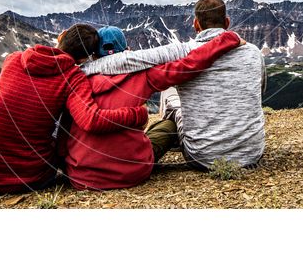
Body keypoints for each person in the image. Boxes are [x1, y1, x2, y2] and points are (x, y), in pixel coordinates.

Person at [83, 0, 266, 170]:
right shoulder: (254, 52)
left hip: (202, 156)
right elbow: (260, 89)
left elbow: (127, 60)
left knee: (170, 92)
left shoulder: (182, 51)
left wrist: (80, 69)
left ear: (196, 24)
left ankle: (169, 131)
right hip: (252, 154)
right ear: (226, 23)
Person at [0, 23, 147, 194]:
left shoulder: (13, 59)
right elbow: (91, 120)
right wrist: (136, 114)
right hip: (30, 179)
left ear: (61, 36)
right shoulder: (73, 77)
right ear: (84, 58)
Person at [59, 28, 243, 190]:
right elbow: (188, 65)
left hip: (82, 177)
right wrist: (226, 40)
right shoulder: (143, 75)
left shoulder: (76, 80)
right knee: (169, 126)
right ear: (126, 51)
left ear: (94, 55)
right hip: (132, 171)